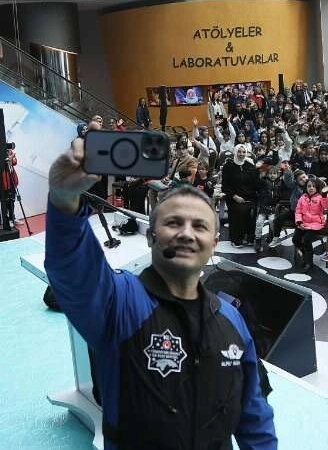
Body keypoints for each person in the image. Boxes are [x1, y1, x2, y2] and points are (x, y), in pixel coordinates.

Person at [44, 122, 277, 449]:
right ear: (150, 236)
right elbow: (74, 272)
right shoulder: (120, 303)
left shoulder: (232, 320)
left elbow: (254, 415)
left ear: (214, 242)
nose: (186, 233)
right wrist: (64, 199)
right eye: (173, 222)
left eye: (199, 225)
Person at [222, 144, 261, 248]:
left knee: (252, 211)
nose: (241, 154)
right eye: (239, 151)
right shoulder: (228, 166)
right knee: (240, 211)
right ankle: (236, 239)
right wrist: (235, 196)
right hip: (234, 198)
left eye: (244, 152)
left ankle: (249, 237)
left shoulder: (250, 166)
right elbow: (225, 186)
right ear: (235, 152)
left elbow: (256, 184)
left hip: (249, 197)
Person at [293, 177, 328, 271]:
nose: (311, 188)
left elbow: (327, 205)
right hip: (303, 223)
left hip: (316, 224)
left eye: (313, 186)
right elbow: (298, 211)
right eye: (309, 186)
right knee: (295, 239)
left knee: (307, 240)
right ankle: (305, 253)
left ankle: (309, 262)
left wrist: (324, 195)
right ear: (306, 187)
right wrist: (299, 222)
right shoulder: (303, 197)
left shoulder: (320, 197)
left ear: (317, 188)